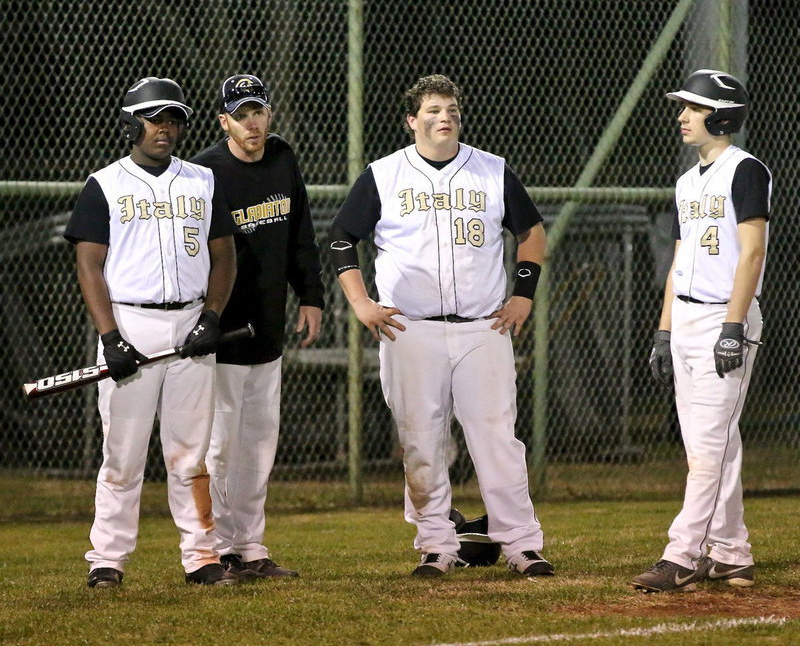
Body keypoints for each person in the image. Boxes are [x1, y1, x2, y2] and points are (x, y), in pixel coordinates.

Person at [329, 74, 554, 578]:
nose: (443, 117)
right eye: (431, 110)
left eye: (450, 108)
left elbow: (531, 233)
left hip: (483, 327)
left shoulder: (491, 170)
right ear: (412, 120)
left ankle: (520, 543)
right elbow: (343, 237)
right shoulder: (384, 174)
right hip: (410, 329)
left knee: (497, 437)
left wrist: (522, 295)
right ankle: (436, 544)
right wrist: (361, 302)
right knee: (420, 439)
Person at [64, 77, 239, 588]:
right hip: (131, 322)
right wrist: (111, 336)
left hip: (190, 323)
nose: (165, 128)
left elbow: (224, 255)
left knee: (191, 453)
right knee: (123, 452)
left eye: (174, 118)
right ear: (130, 123)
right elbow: (88, 266)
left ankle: (202, 557)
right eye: (154, 118)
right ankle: (108, 560)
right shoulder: (105, 184)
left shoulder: (201, 180)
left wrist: (211, 316)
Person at [632, 69, 771, 593]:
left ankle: (683, 554)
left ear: (724, 113)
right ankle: (732, 553)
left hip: (722, 317)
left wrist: (733, 325)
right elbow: (678, 260)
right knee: (711, 445)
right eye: (685, 106)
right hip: (686, 317)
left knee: (709, 446)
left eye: (694, 106)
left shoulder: (746, 170)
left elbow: (752, 253)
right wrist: (664, 330)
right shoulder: (686, 180)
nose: (683, 116)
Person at [190, 74, 324, 579]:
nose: (252, 121)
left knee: (260, 441)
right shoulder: (204, 171)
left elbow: (300, 234)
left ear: (269, 115)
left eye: (259, 111)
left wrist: (310, 296)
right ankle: (220, 545)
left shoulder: (282, 158)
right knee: (223, 443)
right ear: (224, 121)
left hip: (267, 326)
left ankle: (250, 545)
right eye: (241, 113)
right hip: (221, 331)